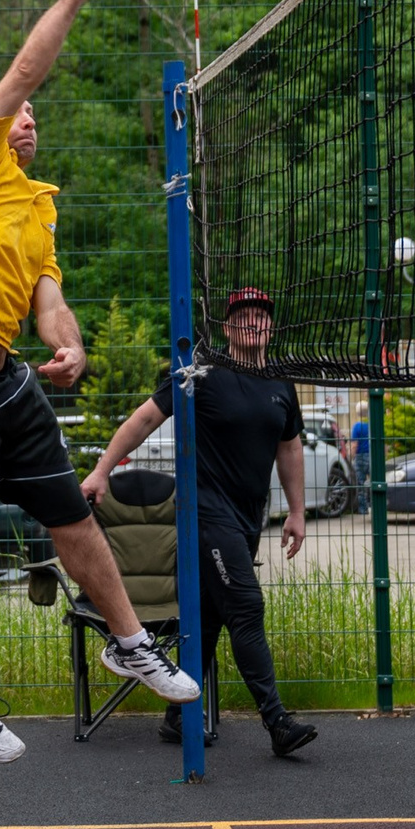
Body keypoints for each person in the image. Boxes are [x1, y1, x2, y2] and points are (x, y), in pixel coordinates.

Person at [0, 0, 200, 762]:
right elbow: (24, 70)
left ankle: (128, 639)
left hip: (8, 385)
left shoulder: (36, 210)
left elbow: (48, 301)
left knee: (70, 512)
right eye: (15, 111)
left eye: (33, 115)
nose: (26, 117)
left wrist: (71, 346)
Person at [83, 286, 319, 759]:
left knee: (207, 622)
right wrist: (102, 468)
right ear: (229, 326)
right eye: (244, 314)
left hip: (247, 519)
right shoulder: (202, 374)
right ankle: (277, 722)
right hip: (206, 516)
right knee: (247, 607)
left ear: (270, 326)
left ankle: (177, 716)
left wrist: (296, 511)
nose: (254, 321)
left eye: (262, 315)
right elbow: (146, 419)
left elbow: (289, 448)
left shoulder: (281, 384)